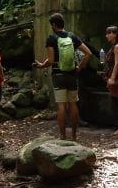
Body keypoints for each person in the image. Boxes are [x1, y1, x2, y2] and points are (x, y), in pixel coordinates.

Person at [34, 12, 92, 141]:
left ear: (54, 25)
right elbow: (88, 53)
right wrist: (79, 67)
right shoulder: (72, 37)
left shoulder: (51, 38)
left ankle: (62, 136)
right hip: (72, 74)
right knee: (73, 104)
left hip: (58, 75)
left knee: (61, 105)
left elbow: (50, 60)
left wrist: (41, 65)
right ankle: (74, 136)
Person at [103, 25, 118, 135]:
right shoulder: (113, 47)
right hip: (114, 77)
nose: (107, 35)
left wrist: (112, 78)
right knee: (116, 101)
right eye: (107, 33)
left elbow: (117, 64)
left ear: (115, 34)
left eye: (109, 33)